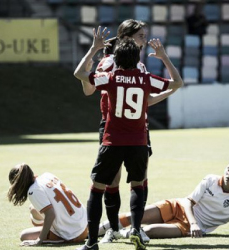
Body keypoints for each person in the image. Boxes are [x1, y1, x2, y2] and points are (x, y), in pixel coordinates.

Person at [73, 26, 183, 250]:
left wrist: (93, 48)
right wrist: (164, 58)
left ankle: (92, 242)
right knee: (137, 186)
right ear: (136, 56)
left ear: (117, 57)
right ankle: (135, 229)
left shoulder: (111, 78)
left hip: (112, 140)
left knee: (97, 187)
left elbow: (79, 75)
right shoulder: (145, 78)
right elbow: (177, 82)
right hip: (138, 141)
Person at [99, 159, 229, 239]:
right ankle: (93, 231)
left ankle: (119, 233)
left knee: (148, 232)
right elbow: (188, 201)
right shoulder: (210, 180)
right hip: (178, 206)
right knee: (132, 217)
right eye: (228, 169)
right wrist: (194, 223)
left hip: (187, 226)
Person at [7, 163, 88, 246]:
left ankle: (59, 237)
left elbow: (51, 214)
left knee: (24, 235)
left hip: (73, 234)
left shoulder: (33, 191)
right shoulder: (47, 175)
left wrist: (39, 240)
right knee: (33, 209)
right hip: (83, 223)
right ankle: (52, 232)